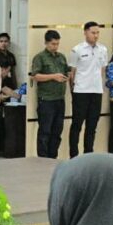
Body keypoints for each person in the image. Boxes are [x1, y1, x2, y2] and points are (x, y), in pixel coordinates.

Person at [67, 21, 108, 157]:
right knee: (77, 125)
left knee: (92, 126)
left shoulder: (103, 49)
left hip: (96, 91)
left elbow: (102, 70)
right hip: (81, 92)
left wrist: (97, 84)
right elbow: (72, 72)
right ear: (85, 32)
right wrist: (73, 90)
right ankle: (73, 155)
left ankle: (88, 155)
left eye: (98, 33)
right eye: (93, 32)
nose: (96, 35)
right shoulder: (77, 50)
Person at [30, 30, 70, 158]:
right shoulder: (40, 57)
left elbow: (67, 72)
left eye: (57, 44)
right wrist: (53, 76)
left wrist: (66, 77)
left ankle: (53, 158)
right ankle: (43, 159)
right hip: (46, 100)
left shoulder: (61, 57)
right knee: (45, 131)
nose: (55, 46)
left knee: (57, 132)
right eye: (53, 44)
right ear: (46, 43)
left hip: (60, 99)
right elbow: (35, 76)